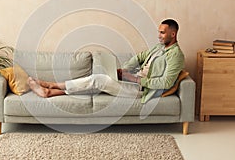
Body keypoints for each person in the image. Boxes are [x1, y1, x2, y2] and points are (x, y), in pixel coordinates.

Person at [28, 19, 185, 103]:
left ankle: (51, 86)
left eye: (162, 33)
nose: (159, 35)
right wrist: (125, 71)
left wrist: (137, 79)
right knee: (97, 82)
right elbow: (139, 57)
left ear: (173, 34)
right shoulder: (158, 48)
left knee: (98, 79)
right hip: (133, 81)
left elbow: (166, 82)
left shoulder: (176, 55)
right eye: (158, 32)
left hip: (143, 90)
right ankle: (50, 92)